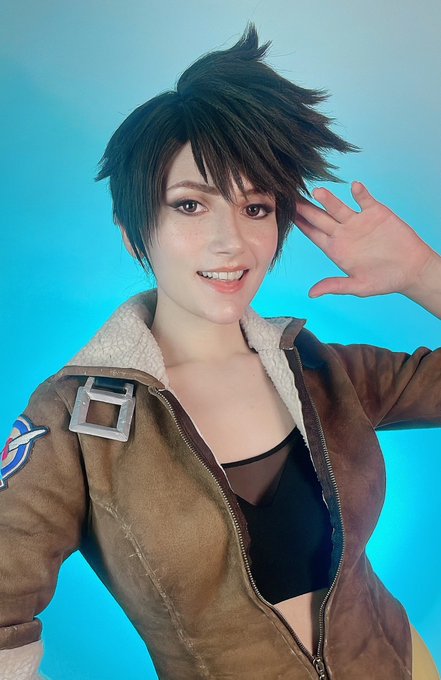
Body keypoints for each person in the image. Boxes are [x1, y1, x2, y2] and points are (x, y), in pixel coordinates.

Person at [1, 23, 440, 680]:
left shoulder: (321, 369)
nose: (230, 241)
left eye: (255, 207)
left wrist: (422, 273)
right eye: (190, 205)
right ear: (133, 232)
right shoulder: (79, 421)